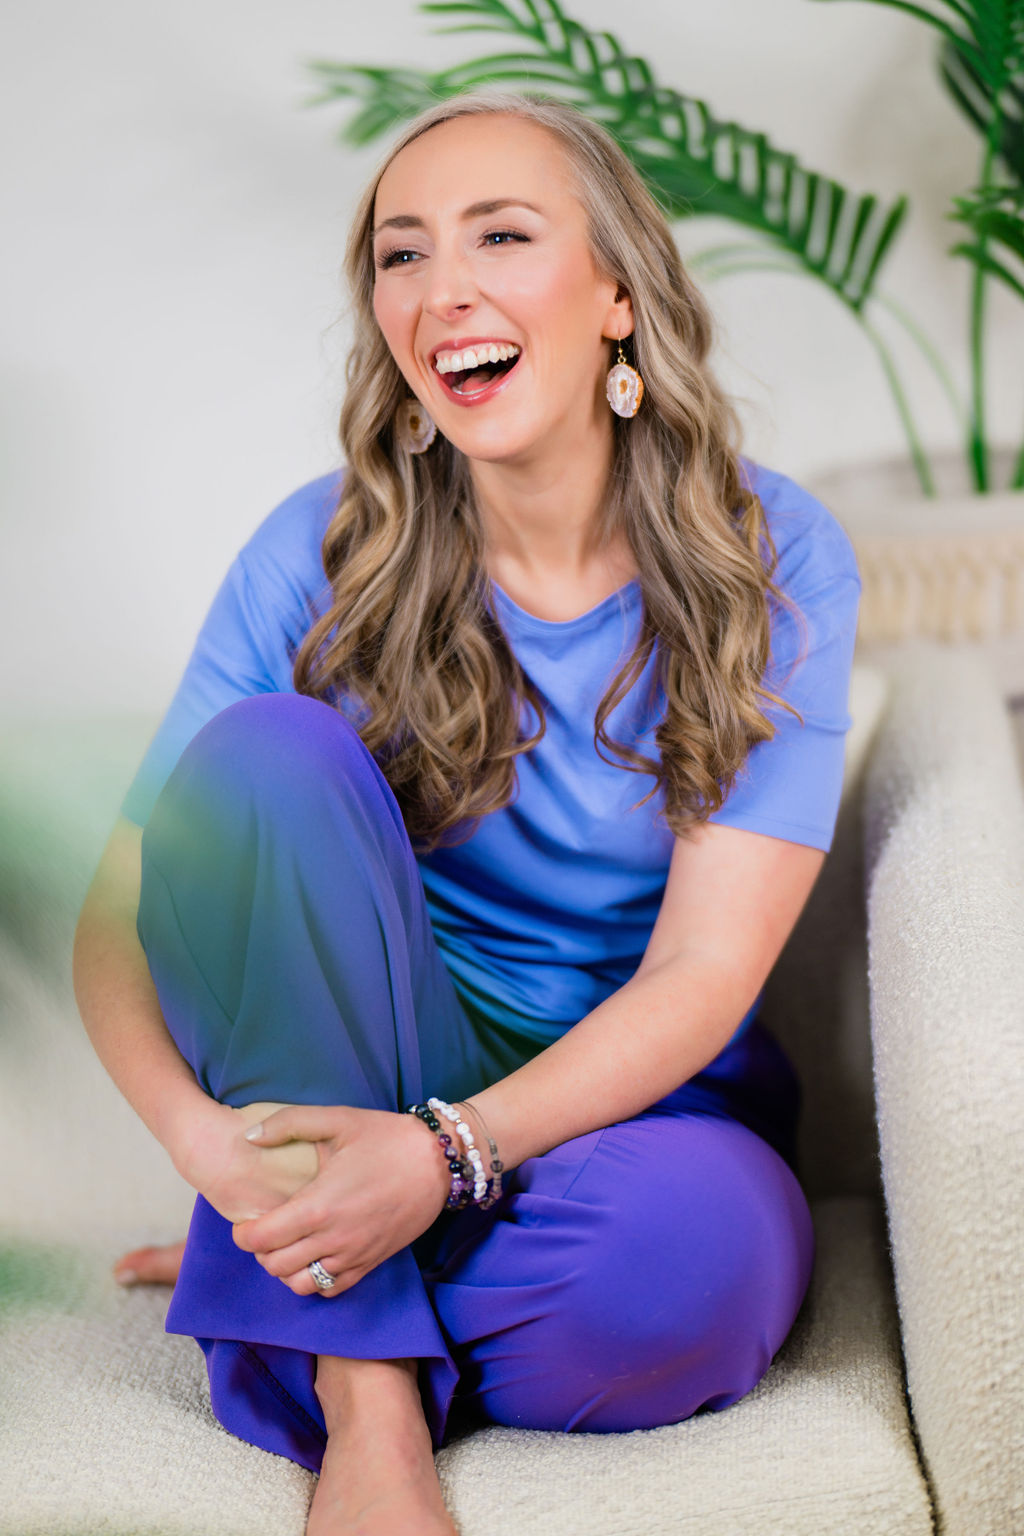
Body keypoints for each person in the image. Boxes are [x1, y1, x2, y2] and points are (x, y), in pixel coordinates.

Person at [73, 89, 861, 1536]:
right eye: (403, 253)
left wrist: (432, 1164)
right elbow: (125, 913)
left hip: (630, 1114)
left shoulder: (776, 557)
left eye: (502, 235)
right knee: (262, 760)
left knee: (690, 1276)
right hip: (371, 1061)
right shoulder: (319, 549)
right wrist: (209, 1151)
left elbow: (704, 973)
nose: (445, 291)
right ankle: (367, 1394)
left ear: (618, 293)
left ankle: (310, 1278)